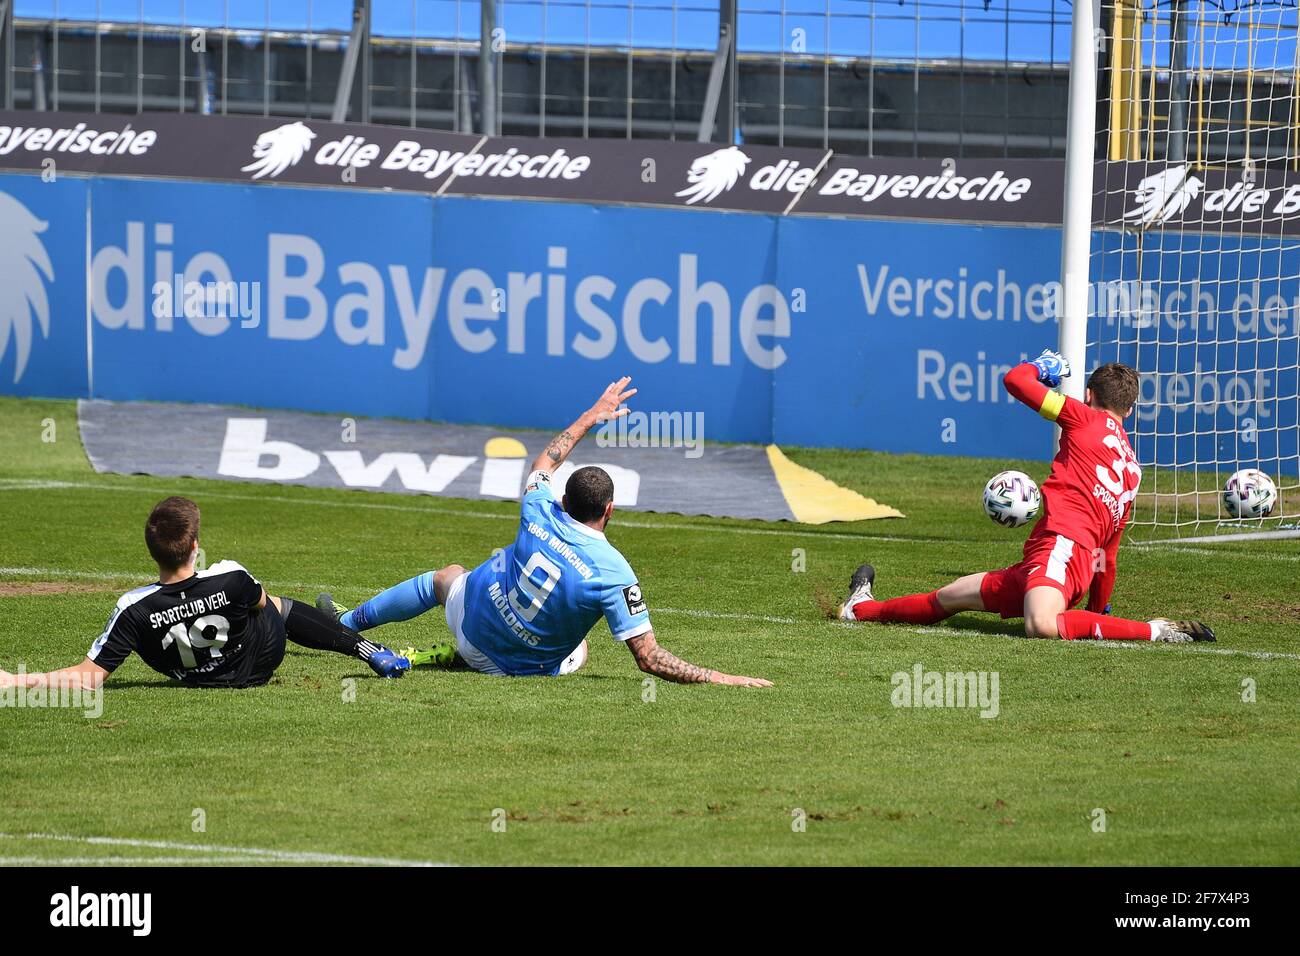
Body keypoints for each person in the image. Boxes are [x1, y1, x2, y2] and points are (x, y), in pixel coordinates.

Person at [319, 377, 773, 686]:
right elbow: (650, 659)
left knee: (447, 575)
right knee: (582, 646)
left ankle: (347, 624)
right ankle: (446, 656)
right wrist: (723, 677)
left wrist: (592, 416)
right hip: (510, 669)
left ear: (563, 501)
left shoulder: (539, 509)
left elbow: (545, 462)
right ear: (610, 510)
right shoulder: (615, 572)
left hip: (473, 624)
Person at [838, 351, 1215, 644]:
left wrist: (1043, 365)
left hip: (1059, 550)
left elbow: (1016, 380)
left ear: (1088, 395)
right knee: (948, 598)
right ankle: (859, 609)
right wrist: (1099, 611)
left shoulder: (1080, 415)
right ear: (1129, 411)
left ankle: (1156, 630)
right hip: (1068, 563)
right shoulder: (1133, 468)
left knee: (1041, 626)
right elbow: (1108, 554)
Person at [0, 496, 411, 692]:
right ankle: (368, 650)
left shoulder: (132, 608)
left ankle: (361, 643)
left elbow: (89, 678)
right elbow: (262, 605)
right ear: (194, 545)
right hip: (259, 663)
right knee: (276, 606)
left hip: (200, 681)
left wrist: (14, 681)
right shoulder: (229, 576)